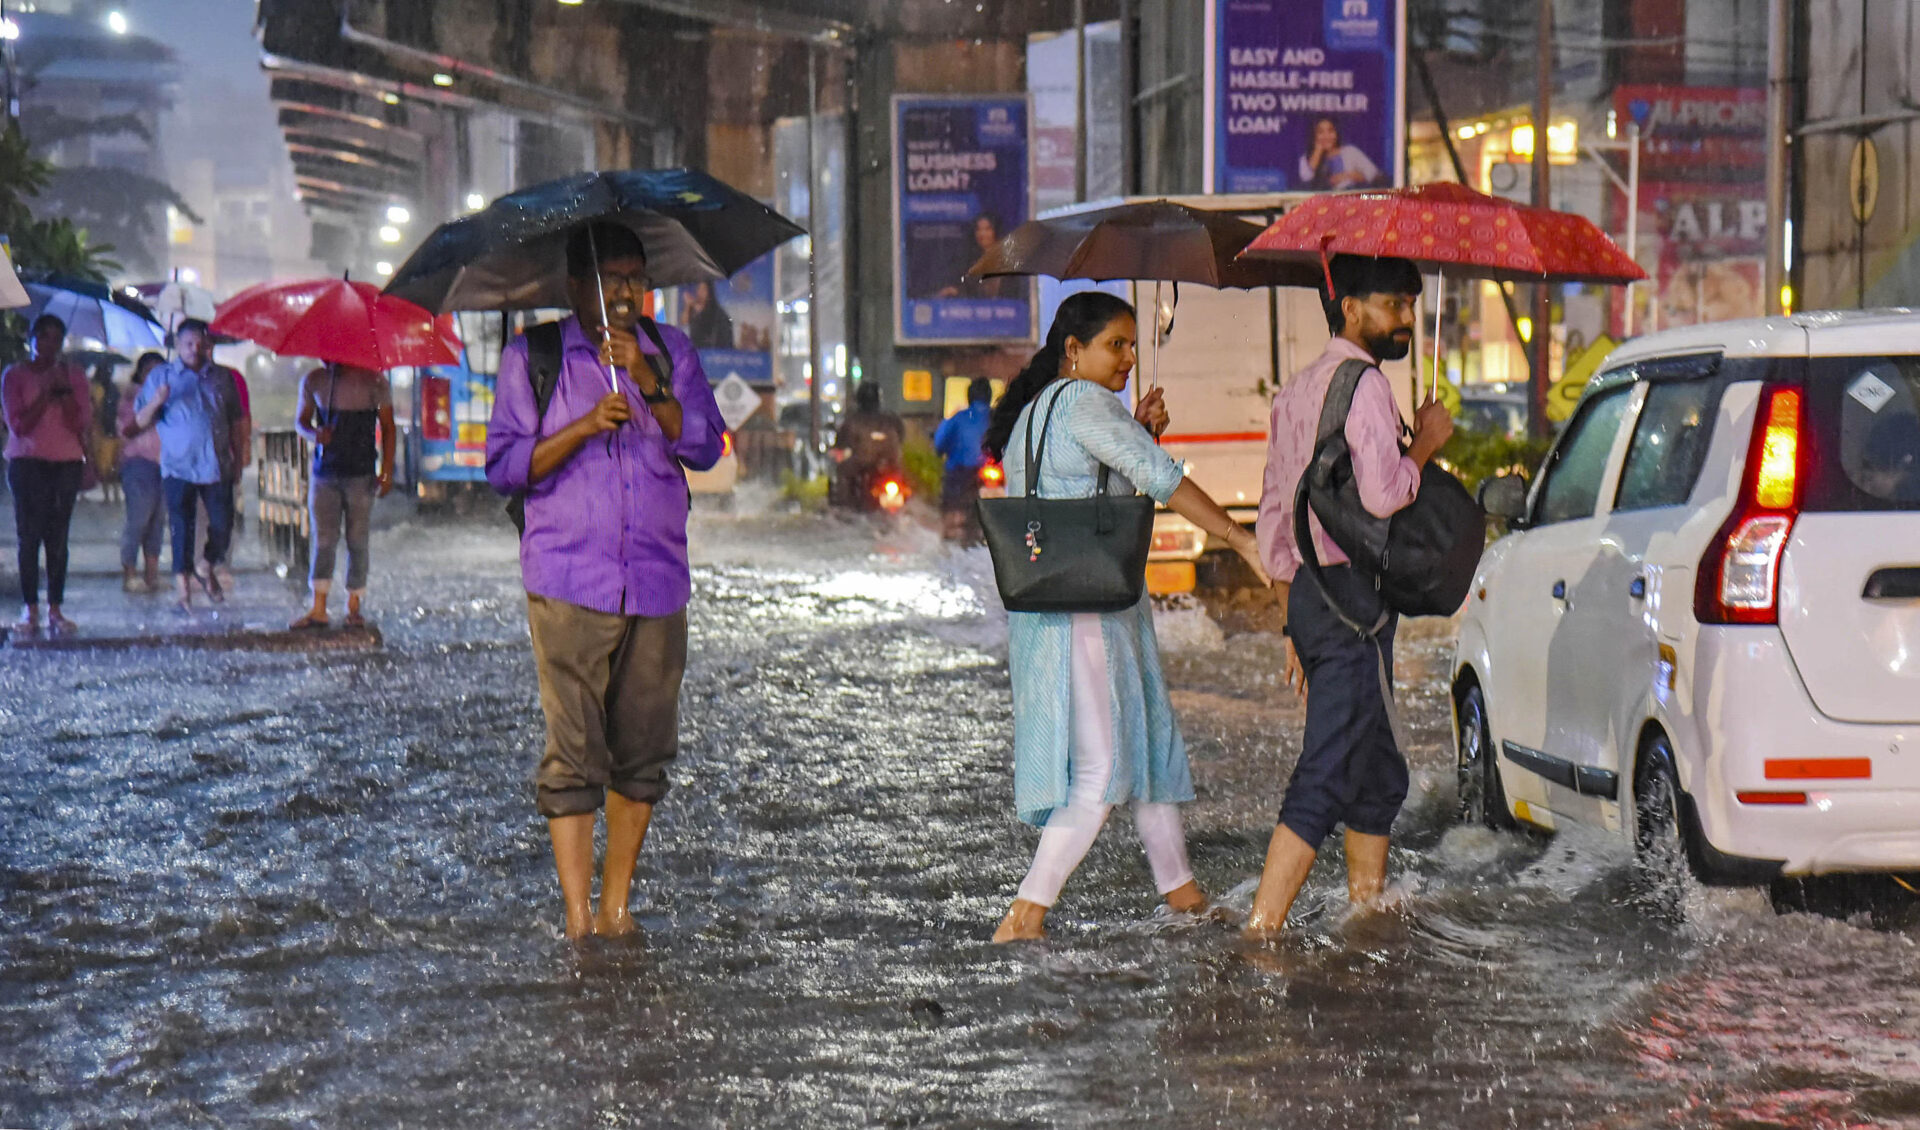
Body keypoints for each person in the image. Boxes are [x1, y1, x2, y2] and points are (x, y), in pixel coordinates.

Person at [985, 291, 1272, 942]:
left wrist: (1138, 430)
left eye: (1134, 346)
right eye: (1117, 345)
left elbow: (1092, 483)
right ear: (1074, 350)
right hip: (1086, 609)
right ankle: (1024, 917)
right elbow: (1160, 478)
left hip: (1077, 604)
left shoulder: (1037, 410)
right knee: (1100, 776)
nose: (1130, 359)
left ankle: (1185, 898)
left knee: (1150, 754)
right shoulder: (1086, 403)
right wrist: (1238, 537)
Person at [485, 222, 726, 940]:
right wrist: (587, 425)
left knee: (644, 748)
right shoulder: (535, 356)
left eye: (634, 277)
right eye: (608, 278)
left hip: (657, 578)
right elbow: (504, 466)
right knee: (574, 749)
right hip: (568, 579)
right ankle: (578, 918)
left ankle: (618, 907)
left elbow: (707, 447)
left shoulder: (669, 352)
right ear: (574, 286)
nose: (624, 292)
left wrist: (652, 386)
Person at [1245, 254, 1454, 939]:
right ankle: (1261, 930)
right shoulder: (1364, 387)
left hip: (1314, 593)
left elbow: (1275, 512)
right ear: (1352, 308)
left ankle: (1366, 909)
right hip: (1354, 602)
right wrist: (1423, 444)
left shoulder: (1299, 388)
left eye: (1409, 308)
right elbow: (1385, 495)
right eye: (1394, 306)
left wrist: (1294, 616)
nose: (1404, 321)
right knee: (1331, 764)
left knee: (1378, 770)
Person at [134, 319, 243, 612]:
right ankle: (183, 589)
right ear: (177, 346)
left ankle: (206, 566)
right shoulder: (161, 377)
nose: (195, 349)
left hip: (216, 463)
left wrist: (240, 457)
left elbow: (236, 419)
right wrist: (157, 401)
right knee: (181, 527)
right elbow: (140, 420)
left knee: (223, 524)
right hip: (178, 465)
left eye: (200, 343)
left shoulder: (222, 377)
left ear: (208, 345)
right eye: (188, 344)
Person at [2, 314, 91, 635]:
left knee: (58, 537)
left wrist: (63, 391)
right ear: (33, 339)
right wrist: (45, 394)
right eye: (44, 337)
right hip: (28, 464)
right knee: (30, 536)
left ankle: (55, 607)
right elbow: (19, 425)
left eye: (56, 338)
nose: (50, 344)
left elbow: (79, 423)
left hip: (65, 463)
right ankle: (31, 608)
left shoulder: (73, 375)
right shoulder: (15, 375)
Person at [289, 362, 395, 629]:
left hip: (360, 472)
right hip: (325, 473)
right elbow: (301, 422)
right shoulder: (314, 380)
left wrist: (387, 471)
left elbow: (388, 426)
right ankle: (319, 607)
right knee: (323, 539)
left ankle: (354, 605)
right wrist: (315, 433)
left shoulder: (375, 381)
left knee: (357, 540)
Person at [117, 352, 168, 593]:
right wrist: (153, 407)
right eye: (149, 370)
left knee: (157, 521)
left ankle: (151, 575)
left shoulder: (168, 397)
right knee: (138, 519)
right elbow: (127, 429)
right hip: (138, 462)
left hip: (165, 464)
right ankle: (129, 573)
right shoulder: (132, 396)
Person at [933, 376, 994, 541]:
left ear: (969, 396)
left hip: (961, 476)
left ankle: (952, 527)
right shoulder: (999, 418)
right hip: (994, 478)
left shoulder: (958, 418)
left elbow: (939, 443)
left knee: (952, 520)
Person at [828, 382, 905, 511]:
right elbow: (902, 436)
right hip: (888, 465)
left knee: (841, 476)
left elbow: (841, 442)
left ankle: (844, 507)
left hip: (862, 464)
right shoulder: (891, 418)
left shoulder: (852, 419)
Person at [937, 213, 1026, 301]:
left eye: (987, 229)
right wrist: (955, 292)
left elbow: (1017, 291)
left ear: (996, 231)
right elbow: (970, 292)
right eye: (978, 230)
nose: (982, 234)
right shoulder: (972, 262)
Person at [1298, 118, 1381, 191]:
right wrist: (1318, 151)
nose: (1326, 136)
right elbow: (1306, 178)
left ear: (1336, 133)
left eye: (1330, 131)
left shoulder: (1349, 151)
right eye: (1321, 132)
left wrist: (1349, 175)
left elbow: (1373, 174)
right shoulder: (1306, 158)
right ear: (1314, 135)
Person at [682, 280, 735, 350]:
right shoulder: (694, 308)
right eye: (699, 289)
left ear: (709, 292)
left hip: (712, 352)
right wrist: (688, 306)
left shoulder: (717, 312)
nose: (700, 292)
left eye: (703, 289)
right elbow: (684, 323)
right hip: (696, 350)